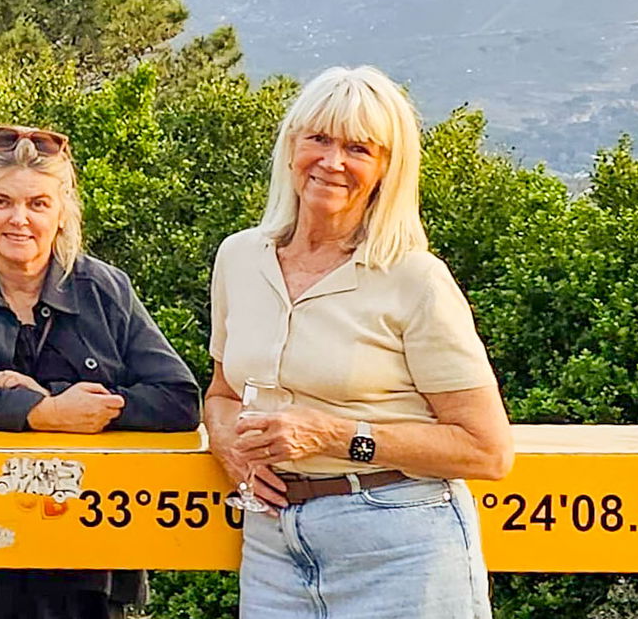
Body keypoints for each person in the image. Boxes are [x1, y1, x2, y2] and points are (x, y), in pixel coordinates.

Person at [205, 66, 514, 618]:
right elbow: (223, 393)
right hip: (273, 544)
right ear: (290, 147)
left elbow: (486, 450)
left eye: (358, 148)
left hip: (400, 542)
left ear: (387, 170)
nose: (332, 162)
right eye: (318, 139)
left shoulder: (415, 278)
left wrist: (332, 434)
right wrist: (231, 449)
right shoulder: (239, 257)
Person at [0, 124, 203, 619]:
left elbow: (179, 398)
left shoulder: (105, 290)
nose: (19, 220)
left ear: (62, 212)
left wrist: (70, 403)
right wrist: (39, 411)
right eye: (1, 202)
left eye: (37, 203)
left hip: (82, 564)